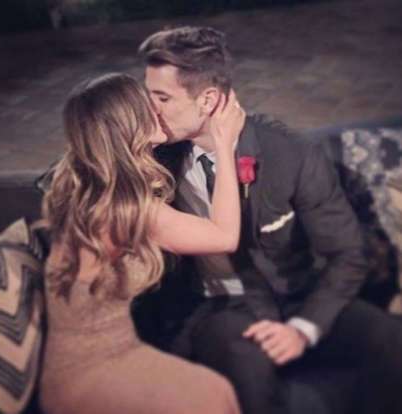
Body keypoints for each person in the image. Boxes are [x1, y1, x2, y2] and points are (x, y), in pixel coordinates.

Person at [137, 26, 402, 414]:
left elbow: (347, 253)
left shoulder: (290, 154)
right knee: (249, 370)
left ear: (207, 99)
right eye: (148, 96)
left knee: (390, 338)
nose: (150, 110)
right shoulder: (154, 155)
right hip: (217, 305)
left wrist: (303, 329)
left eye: (161, 98)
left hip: (294, 295)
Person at [38, 72, 245, 414]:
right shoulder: (126, 209)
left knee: (216, 391)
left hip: (121, 347)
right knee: (211, 397)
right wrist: (224, 146)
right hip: (86, 372)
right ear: (127, 125)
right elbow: (224, 236)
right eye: (146, 103)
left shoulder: (94, 181)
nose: (158, 108)